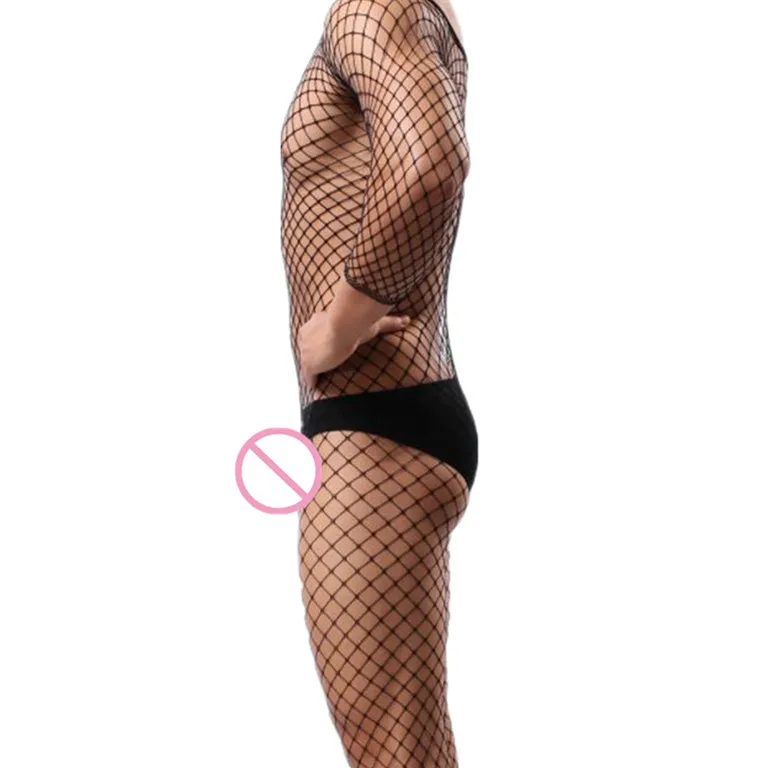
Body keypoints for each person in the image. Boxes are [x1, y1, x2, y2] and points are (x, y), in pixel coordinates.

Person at [279, 0, 477, 764]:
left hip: (373, 434)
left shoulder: (375, 5)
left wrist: (339, 325)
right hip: (388, 420)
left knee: (388, 747)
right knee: (407, 745)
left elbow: (431, 164)